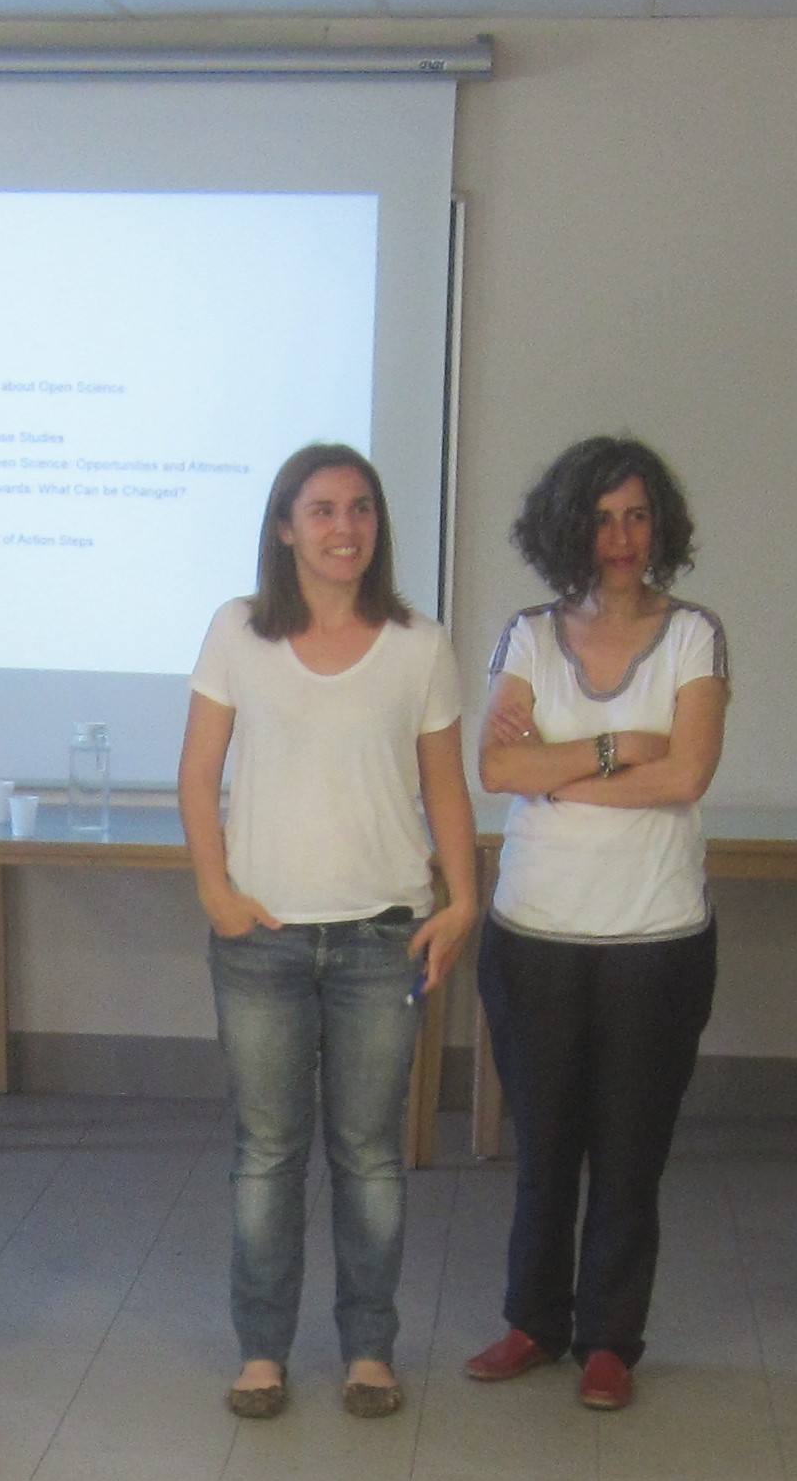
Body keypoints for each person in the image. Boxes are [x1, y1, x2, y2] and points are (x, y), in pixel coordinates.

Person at [178, 441, 478, 1421]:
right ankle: (262, 1353)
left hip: (379, 938)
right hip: (258, 936)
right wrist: (215, 888)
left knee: (370, 1155)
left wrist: (462, 900)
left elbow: (444, 787)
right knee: (267, 1153)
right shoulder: (236, 632)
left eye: (359, 509)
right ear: (283, 527)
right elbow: (196, 773)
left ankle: (368, 1350)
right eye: (320, 510)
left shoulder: (419, 645)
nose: (343, 527)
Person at [466, 436, 729, 1414]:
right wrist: (623, 745)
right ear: (567, 526)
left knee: (629, 1151)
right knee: (545, 1147)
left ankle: (609, 1339)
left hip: (655, 943)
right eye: (602, 517)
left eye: (636, 516)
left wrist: (562, 765)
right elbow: (497, 771)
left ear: (657, 524)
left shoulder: (694, 635)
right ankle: (533, 1322)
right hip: (532, 938)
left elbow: (689, 775)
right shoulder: (528, 635)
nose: (620, 537)